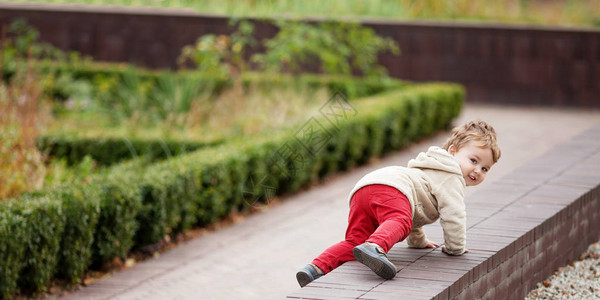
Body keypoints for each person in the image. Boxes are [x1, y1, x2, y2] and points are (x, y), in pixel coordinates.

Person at [296, 119, 501, 287]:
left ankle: (315, 268)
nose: (477, 170)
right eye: (474, 161)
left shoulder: (431, 166)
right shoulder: (452, 176)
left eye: (485, 169)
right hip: (391, 189)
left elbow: (416, 206)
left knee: (354, 242)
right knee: (399, 220)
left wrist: (417, 241)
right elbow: (454, 215)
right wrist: (455, 248)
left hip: (365, 188)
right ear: (453, 151)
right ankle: (375, 246)